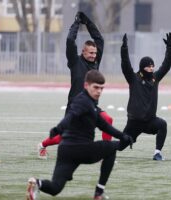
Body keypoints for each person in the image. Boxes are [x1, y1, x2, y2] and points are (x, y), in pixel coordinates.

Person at [26, 70, 133, 200]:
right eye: (96, 87)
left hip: (66, 151)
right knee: (112, 148)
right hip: (81, 149)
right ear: (86, 85)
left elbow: (104, 126)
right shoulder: (83, 101)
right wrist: (58, 128)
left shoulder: (90, 103)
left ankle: (37, 183)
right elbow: (71, 115)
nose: (99, 91)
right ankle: (99, 193)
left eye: (101, 88)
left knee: (55, 188)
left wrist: (122, 136)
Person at [37, 12, 114, 159]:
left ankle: (106, 154)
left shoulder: (96, 61)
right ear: (82, 52)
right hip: (75, 107)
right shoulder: (74, 61)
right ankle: (43, 145)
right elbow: (70, 41)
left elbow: (99, 39)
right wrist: (76, 24)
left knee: (108, 120)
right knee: (64, 138)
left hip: (91, 106)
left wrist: (88, 22)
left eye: (95, 53)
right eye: (90, 53)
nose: (93, 55)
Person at [119, 32, 171, 160]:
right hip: (134, 122)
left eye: (152, 65)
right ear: (143, 67)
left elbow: (166, 65)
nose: (152, 68)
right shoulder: (133, 78)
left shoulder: (155, 78)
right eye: (149, 66)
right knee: (120, 146)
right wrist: (124, 49)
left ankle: (157, 153)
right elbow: (125, 64)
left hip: (150, 121)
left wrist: (170, 48)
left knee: (162, 125)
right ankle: (103, 150)